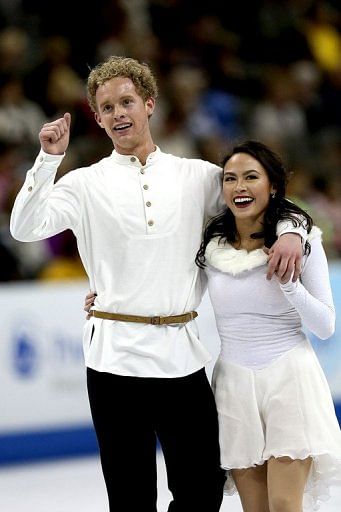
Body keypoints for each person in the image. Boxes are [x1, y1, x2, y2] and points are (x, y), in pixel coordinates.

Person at [10, 56, 306, 512]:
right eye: (106, 108)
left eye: (126, 101)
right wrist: (48, 160)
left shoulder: (198, 177)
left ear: (149, 104)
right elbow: (25, 228)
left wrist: (292, 231)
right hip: (114, 363)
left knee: (203, 490)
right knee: (130, 500)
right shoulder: (84, 184)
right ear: (98, 118)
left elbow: (261, 198)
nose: (118, 113)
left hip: (182, 360)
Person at [195, 140, 341, 512]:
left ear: (272, 185)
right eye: (230, 179)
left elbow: (325, 325)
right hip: (234, 385)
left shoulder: (300, 239)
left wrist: (290, 285)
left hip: (289, 379)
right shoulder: (210, 245)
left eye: (250, 177)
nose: (239, 187)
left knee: (284, 504)